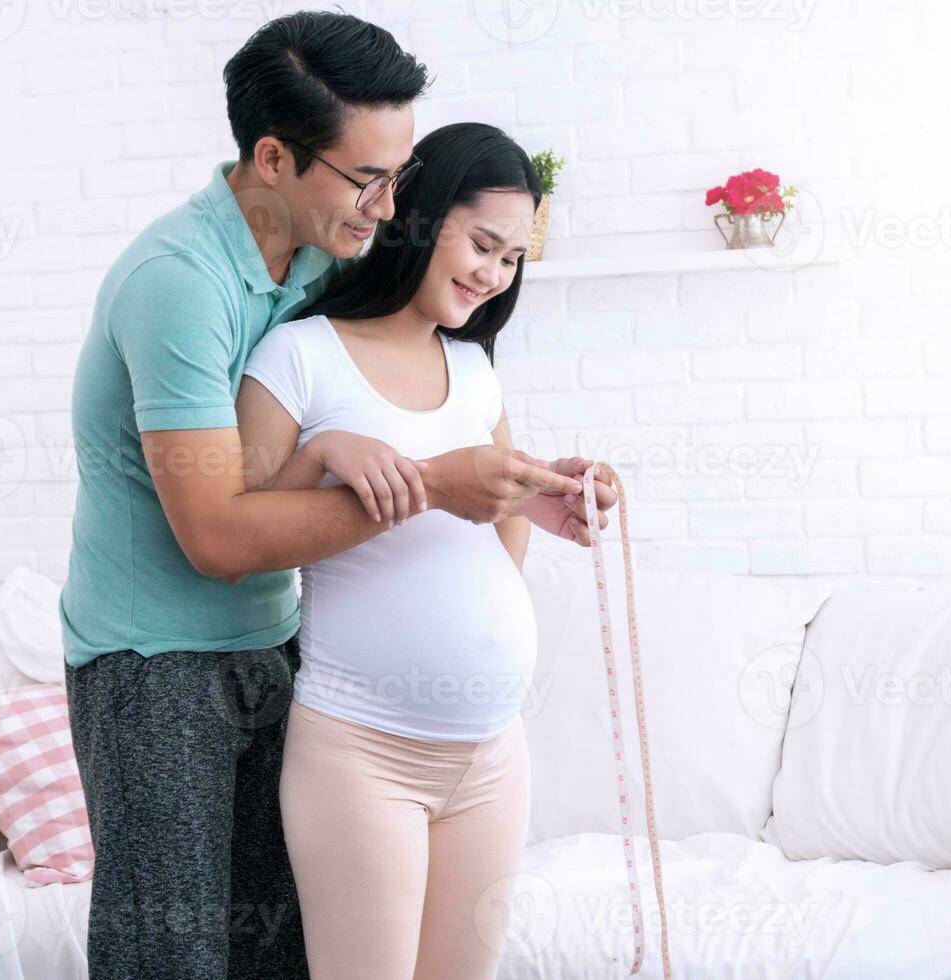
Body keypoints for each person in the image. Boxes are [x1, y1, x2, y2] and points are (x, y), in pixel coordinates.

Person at [59, 12, 615, 979]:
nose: (388, 205)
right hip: (153, 659)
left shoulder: (328, 256)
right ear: (273, 158)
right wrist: (434, 485)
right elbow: (219, 537)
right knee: (171, 957)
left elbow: (390, 397)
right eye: (369, 178)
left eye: (398, 176)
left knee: (274, 956)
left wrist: (519, 492)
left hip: (277, 646)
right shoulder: (178, 286)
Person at [236, 121, 579, 979]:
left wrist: (548, 497)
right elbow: (240, 541)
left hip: (494, 751)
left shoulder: (474, 371)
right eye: (481, 243)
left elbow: (493, 523)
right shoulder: (299, 356)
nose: (493, 273)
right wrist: (322, 457)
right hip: (364, 756)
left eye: (510, 258)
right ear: (418, 218)